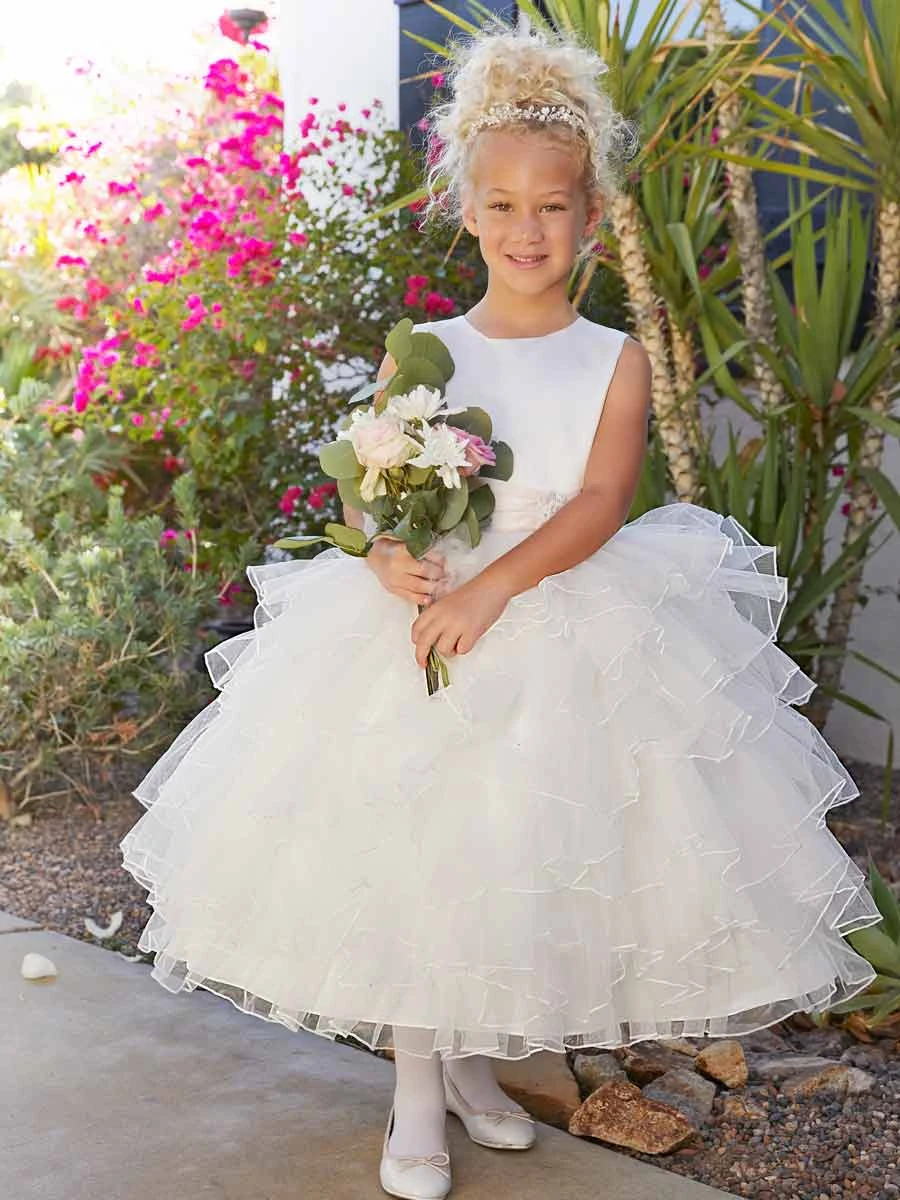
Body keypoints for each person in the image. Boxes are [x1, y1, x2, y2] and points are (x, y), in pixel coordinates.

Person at [120, 20, 881, 1200]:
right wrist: (388, 563)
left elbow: (598, 504)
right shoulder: (423, 350)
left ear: (590, 216)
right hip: (420, 631)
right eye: (506, 206)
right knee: (424, 853)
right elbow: (379, 497)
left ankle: (476, 1077)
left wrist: (491, 588)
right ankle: (417, 1100)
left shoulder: (612, 359)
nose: (530, 231)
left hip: (558, 615)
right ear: (468, 213)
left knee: (513, 861)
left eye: (556, 208)